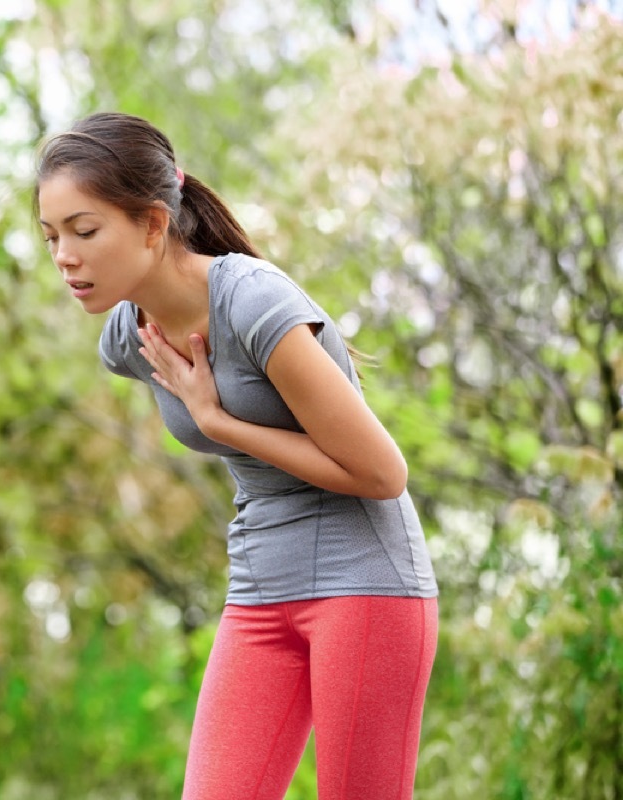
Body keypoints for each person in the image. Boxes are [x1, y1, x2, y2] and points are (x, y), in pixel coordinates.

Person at [34, 112, 439, 800]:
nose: (65, 257)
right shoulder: (126, 337)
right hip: (259, 589)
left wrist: (219, 421)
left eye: (85, 231)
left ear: (155, 224)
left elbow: (382, 473)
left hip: (365, 581)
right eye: (51, 237)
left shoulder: (253, 302)